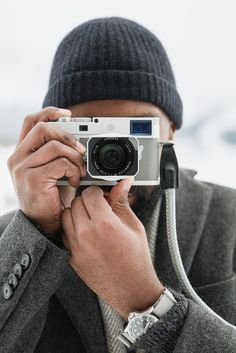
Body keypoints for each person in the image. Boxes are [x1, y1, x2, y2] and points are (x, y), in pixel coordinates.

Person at [0, 17, 235, 353]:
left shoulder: (229, 217)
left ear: (171, 131)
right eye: (90, 131)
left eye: (136, 130)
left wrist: (145, 300)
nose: (112, 152)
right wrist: (34, 232)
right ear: (54, 133)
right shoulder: (12, 237)